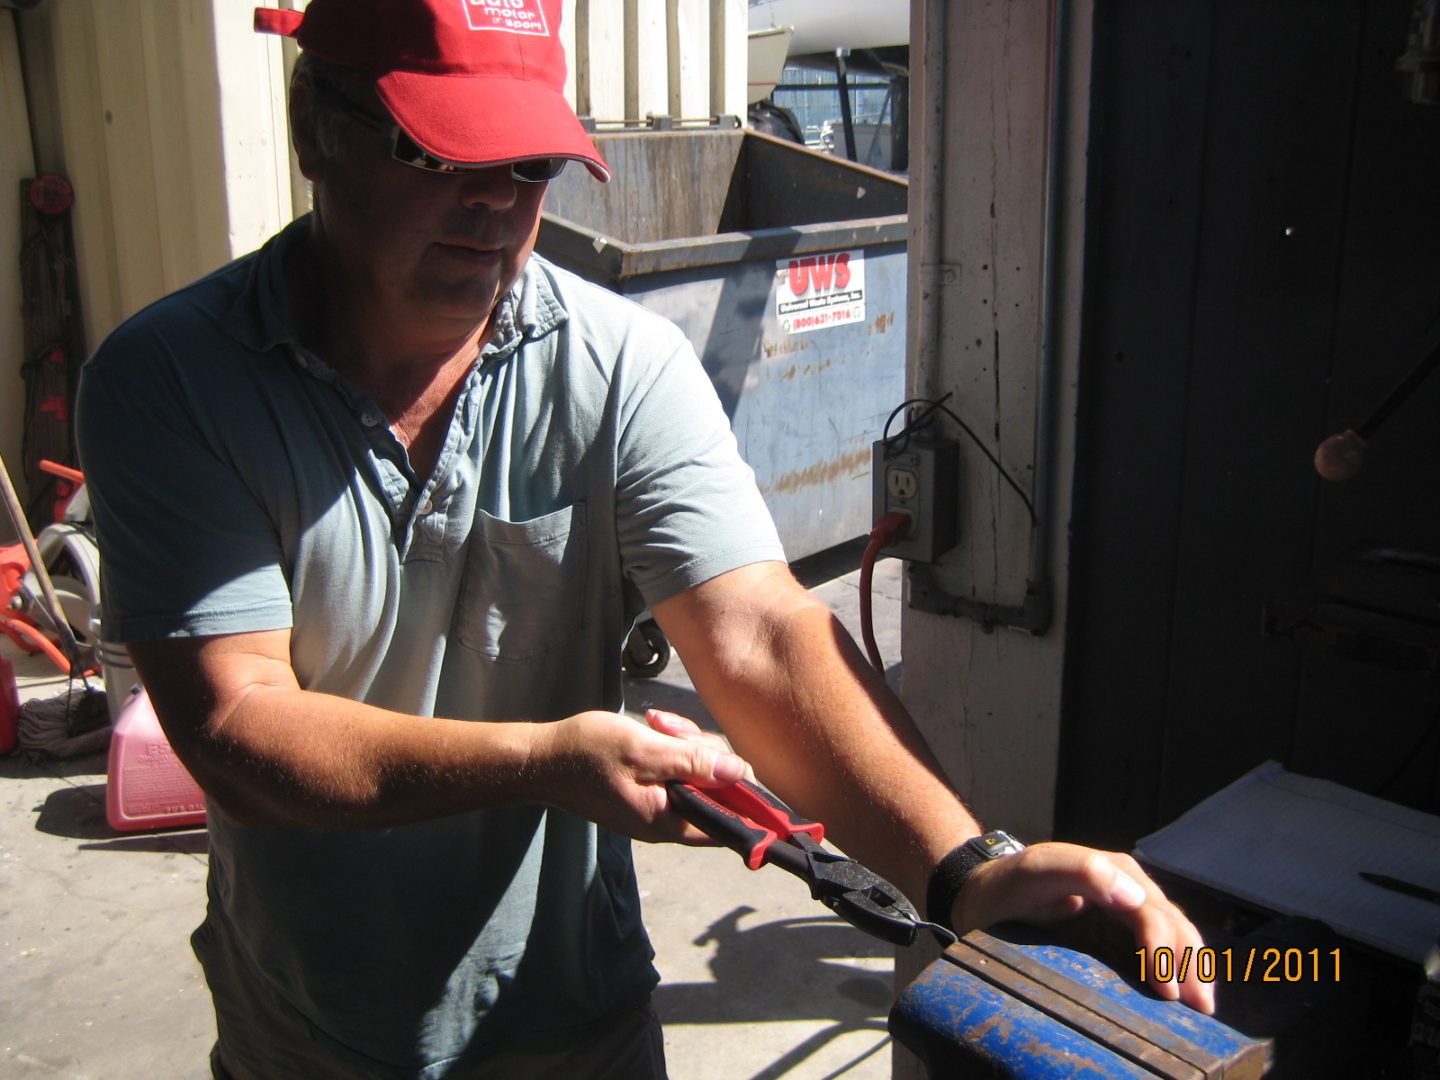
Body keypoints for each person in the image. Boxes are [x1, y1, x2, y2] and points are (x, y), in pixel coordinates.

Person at [75, 1, 1213, 1076]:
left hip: (578, 1028)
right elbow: (237, 726)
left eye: (527, 164)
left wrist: (967, 871)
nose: (495, 202)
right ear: (312, 130)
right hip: (307, 1036)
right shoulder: (173, 381)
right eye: (440, 156)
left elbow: (760, 636)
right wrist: (548, 759)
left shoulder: (619, 363)